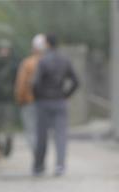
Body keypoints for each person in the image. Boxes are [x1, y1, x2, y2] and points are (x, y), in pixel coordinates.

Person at [31, 34, 79, 176]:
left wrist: (37, 97)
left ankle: (39, 166)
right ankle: (60, 165)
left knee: (42, 135)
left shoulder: (43, 61)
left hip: (44, 102)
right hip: (60, 101)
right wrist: (66, 95)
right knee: (61, 135)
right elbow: (76, 82)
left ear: (47, 44)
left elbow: (35, 83)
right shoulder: (65, 60)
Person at [15, 34, 46, 153]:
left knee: (31, 130)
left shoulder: (28, 63)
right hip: (45, 102)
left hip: (29, 101)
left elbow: (21, 83)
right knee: (41, 131)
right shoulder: (49, 62)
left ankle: (37, 155)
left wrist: (20, 99)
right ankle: (41, 155)